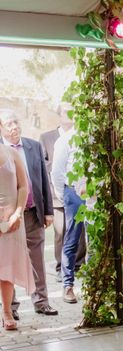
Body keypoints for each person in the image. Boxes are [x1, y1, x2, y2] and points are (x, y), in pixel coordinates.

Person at [0, 110, 56, 319]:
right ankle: (11, 307)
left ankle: (41, 302)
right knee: (7, 260)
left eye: (15, 121)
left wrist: (48, 211)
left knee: (38, 259)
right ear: (1, 128)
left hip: (33, 212)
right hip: (8, 217)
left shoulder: (33, 145)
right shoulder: (4, 151)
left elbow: (43, 179)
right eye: (8, 123)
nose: (13, 126)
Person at [41, 103, 85, 284]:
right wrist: (61, 193)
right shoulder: (56, 138)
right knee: (65, 234)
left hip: (86, 193)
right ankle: (64, 273)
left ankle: (81, 267)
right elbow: (51, 170)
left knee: (82, 235)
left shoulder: (87, 137)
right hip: (65, 193)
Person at [0, 143, 35, 330]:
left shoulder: (11, 153)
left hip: (13, 220)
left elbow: (23, 186)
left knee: (7, 267)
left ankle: (7, 312)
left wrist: (17, 213)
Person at [51, 117, 85, 304]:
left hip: (96, 191)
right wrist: (65, 194)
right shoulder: (66, 139)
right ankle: (68, 285)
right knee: (72, 238)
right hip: (73, 192)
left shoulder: (97, 138)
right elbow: (57, 171)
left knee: (97, 238)